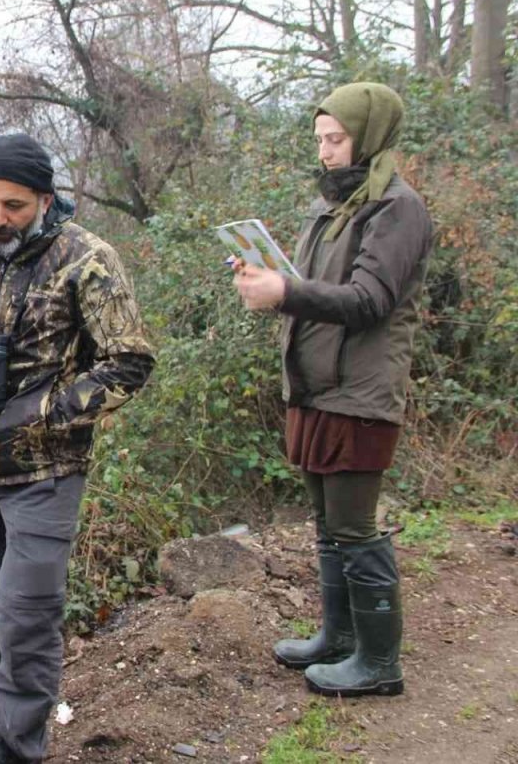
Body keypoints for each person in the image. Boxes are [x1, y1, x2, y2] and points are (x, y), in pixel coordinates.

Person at [0, 133, 155, 763]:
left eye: (13, 205)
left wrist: (37, 417)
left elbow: (129, 364)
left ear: (45, 200)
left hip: (47, 473)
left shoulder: (87, 260)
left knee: (27, 614)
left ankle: (18, 747)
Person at [234, 82, 433, 697]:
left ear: (368, 135)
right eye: (320, 138)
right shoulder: (333, 206)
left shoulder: (397, 208)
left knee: (353, 526)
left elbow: (370, 301)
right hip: (316, 385)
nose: (324, 150)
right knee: (326, 524)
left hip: (361, 392)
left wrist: (286, 293)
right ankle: (338, 638)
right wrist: (268, 281)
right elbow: (314, 290)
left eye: (337, 138)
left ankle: (379, 664)